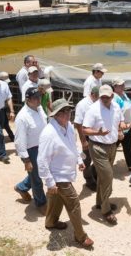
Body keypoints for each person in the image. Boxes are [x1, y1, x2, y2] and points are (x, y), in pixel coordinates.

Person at [37, 99, 94, 248]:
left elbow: (72, 145)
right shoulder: (48, 133)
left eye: (68, 111)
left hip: (66, 173)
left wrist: (78, 160)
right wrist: (49, 182)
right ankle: (80, 236)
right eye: (62, 112)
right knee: (73, 203)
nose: (67, 114)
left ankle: (50, 222)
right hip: (58, 176)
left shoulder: (68, 126)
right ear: (55, 115)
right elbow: (42, 161)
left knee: (56, 200)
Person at [81, 84, 125, 224]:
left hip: (112, 146)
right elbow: (85, 129)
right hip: (98, 147)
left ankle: (100, 202)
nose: (105, 99)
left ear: (112, 96)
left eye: (107, 96)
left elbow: (120, 120)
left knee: (103, 177)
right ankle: (105, 210)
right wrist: (98, 133)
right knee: (108, 176)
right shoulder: (93, 110)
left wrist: (121, 128)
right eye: (102, 97)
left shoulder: (116, 107)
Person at [13, 87, 48, 209]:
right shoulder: (22, 117)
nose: (38, 100)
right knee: (37, 178)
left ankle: (21, 187)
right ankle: (41, 203)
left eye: (39, 97)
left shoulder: (39, 109)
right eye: (35, 98)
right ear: (27, 99)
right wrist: (26, 160)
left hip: (43, 146)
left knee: (38, 173)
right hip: (31, 150)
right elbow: (19, 140)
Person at [74, 86, 99, 191]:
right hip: (87, 135)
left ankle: (94, 174)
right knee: (87, 159)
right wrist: (83, 141)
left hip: (96, 134)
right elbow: (78, 123)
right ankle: (89, 180)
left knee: (97, 157)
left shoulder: (97, 102)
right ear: (93, 94)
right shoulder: (82, 104)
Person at [112, 77, 131, 171]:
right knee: (113, 148)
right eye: (120, 85)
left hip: (127, 126)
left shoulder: (123, 94)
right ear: (115, 86)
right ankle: (104, 166)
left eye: (123, 84)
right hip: (120, 127)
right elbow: (115, 115)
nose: (123, 86)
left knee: (128, 144)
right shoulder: (114, 98)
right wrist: (119, 129)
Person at [0, 71, 16, 141]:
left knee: (5, 123)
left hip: (3, 108)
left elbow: (8, 98)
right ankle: (10, 137)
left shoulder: (5, 85)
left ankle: (11, 136)